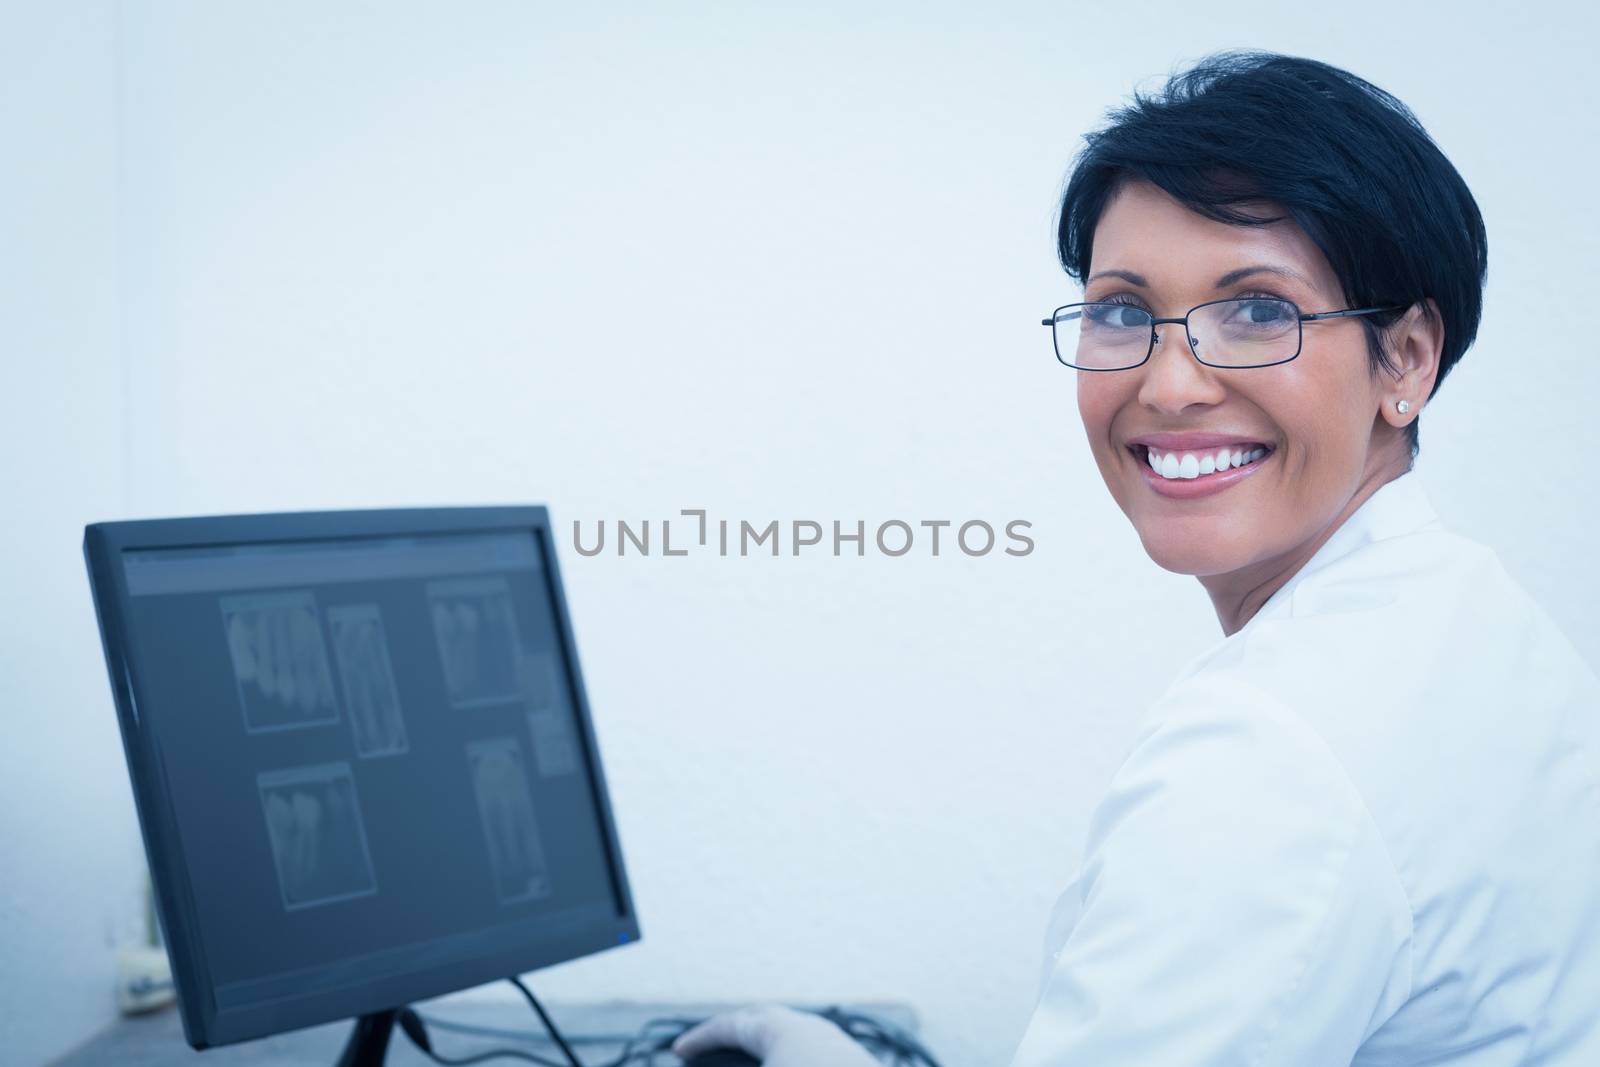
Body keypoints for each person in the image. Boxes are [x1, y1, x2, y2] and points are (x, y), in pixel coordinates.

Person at [671, 50, 1600, 1066]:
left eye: (1257, 310)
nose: (1168, 383)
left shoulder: (1267, 762)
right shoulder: (1476, 618)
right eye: (1122, 310)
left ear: (1406, 359)